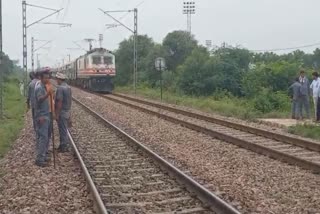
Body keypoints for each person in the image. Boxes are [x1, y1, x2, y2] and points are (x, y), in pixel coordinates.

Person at [34, 68, 53, 167]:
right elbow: (40, 99)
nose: (47, 79)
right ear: (41, 78)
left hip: (47, 114)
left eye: (48, 77)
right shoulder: (39, 88)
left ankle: (44, 154)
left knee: (47, 136)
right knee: (43, 137)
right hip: (42, 116)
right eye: (45, 78)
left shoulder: (45, 86)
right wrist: (48, 94)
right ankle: (40, 159)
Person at [55, 72, 72, 152]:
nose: (56, 81)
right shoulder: (68, 87)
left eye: (57, 79)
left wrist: (57, 114)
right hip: (67, 110)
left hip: (62, 112)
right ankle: (64, 145)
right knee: (65, 129)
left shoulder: (60, 88)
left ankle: (63, 146)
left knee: (62, 129)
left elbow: (59, 101)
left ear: (59, 79)